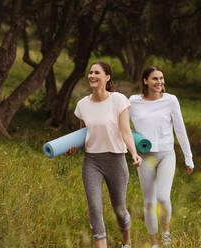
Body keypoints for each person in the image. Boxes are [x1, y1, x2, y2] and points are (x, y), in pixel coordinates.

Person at [67, 61, 142, 248]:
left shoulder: (118, 100)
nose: (91, 75)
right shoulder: (82, 104)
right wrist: (72, 146)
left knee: (119, 209)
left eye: (96, 72)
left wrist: (134, 153)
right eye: (90, 72)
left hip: (116, 160)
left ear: (107, 77)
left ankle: (126, 243)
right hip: (92, 161)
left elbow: (125, 131)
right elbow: (83, 133)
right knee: (94, 207)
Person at [129, 66, 194, 248]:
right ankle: (154, 243)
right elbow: (123, 126)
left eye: (161, 78)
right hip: (143, 156)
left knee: (163, 197)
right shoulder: (133, 101)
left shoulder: (171, 100)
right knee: (149, 201)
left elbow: (180, 130)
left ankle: (165, 233)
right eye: (155, 79)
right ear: (145, 81)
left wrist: (188, 158)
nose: (159, 82)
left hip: (166, 154)